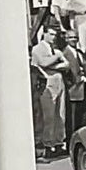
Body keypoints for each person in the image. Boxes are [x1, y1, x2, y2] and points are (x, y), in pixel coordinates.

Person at [30, 25, 67, 158]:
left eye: (54, 35)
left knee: (60, 113)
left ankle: (58, 142)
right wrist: (57, 57)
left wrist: (55, 63)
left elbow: (66, 64)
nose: (53, 37)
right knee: (48, 114)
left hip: (58, 79)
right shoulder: (38, 49)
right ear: (44, 34)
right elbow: (43, 63)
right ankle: (47, 144)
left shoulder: (55, 49)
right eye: (51, 34)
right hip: (46, 81)